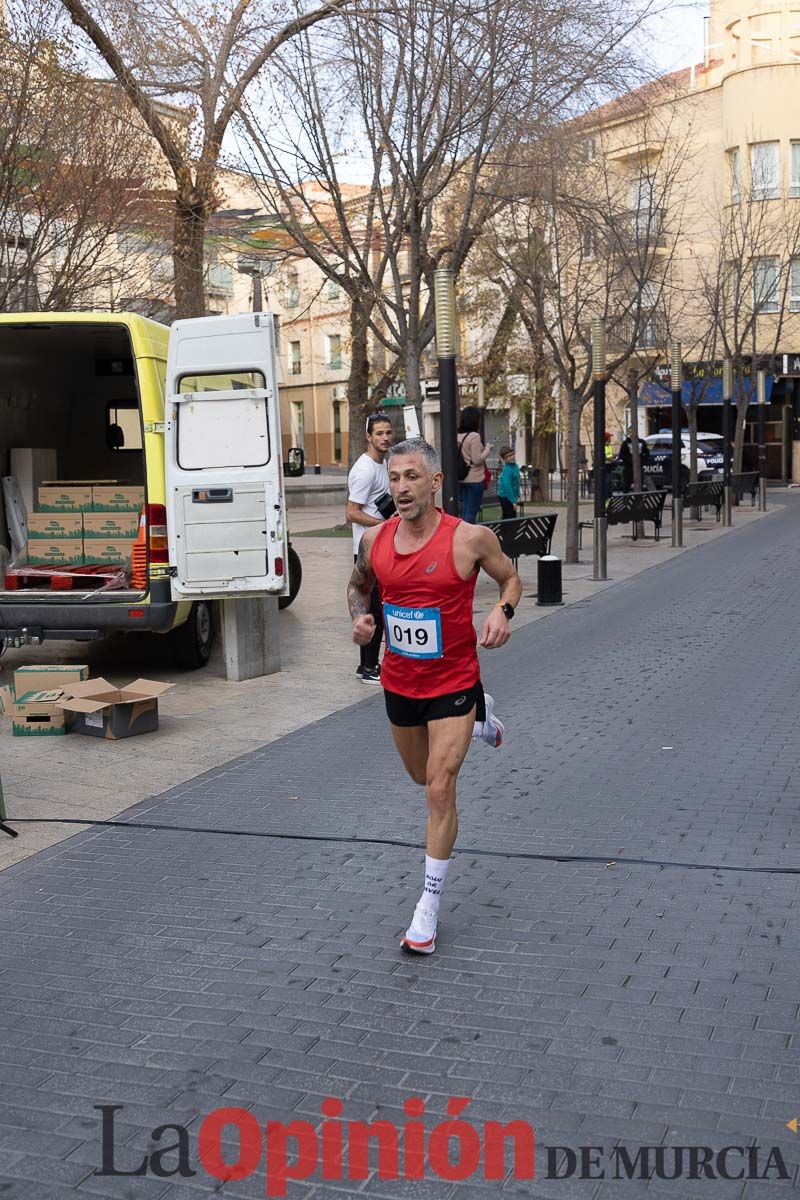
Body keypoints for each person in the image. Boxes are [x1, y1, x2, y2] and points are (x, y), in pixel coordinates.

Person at [347, 437, 522, 955]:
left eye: (411, 478)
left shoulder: (469, 539)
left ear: (435, 482)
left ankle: (427, 905)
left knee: (439, 789)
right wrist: (359, 617)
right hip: (400, 682)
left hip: (454, 681)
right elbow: (358, 585)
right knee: (420, 774)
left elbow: (511, 579)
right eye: (395, 478)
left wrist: (501, 612)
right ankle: (483, 720)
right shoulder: (374, 540)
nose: (401, 488)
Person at [346, 413, 394, 683]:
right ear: (368, 437)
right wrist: (381, 525)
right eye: (379, 434)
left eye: (388, 432)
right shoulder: (364, 470)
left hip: (380, 546)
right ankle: (367, 668)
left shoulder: (382, 463)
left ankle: (370, 664)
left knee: (379, 607)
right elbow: (351, 512)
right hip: (366, 550)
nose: (385, 438)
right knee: (373, 609)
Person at [457, 406, 493, 524]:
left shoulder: (458, 435)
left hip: (461, 478)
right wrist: (487, 449)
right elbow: (477, 460)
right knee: (471, 512)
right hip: (475, 479)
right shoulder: (474, 436)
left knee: (464, 511)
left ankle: (461, 535)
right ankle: (468, 538)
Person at [619, 426, 650, 493]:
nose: (631, 433)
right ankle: (626, 501)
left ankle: (638, 501)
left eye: (633, 432)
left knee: (639, 485)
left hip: (639, 467)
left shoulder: (642, 442)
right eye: (630, 432)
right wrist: (630, 461)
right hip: (628, 468)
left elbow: (647, 453)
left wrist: (642, 461)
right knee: (626, 486)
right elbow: (622, 455)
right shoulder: (625, 443)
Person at [497, 445, 521, 519]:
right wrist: (513, 501)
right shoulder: (507, 470)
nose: (511, 457)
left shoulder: (516, 466)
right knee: (510, 517)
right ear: (504, 459)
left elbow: (516, 482)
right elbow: (508, 486)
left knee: (510, 516)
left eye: (512, 454)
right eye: (508, 456)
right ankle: (507, 530)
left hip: (512, 495)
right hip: (505, 496)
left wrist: (517, 495)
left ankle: (506, 530)